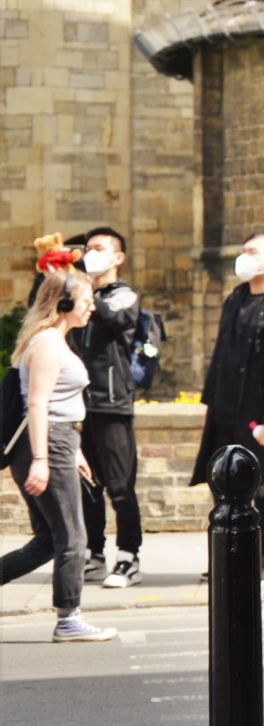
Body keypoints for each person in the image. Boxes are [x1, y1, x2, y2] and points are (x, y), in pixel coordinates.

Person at [0, 258, 118, 641]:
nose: (92, 306)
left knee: (48, 541)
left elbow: (59, 406)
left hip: (57, 441)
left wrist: (75, 450)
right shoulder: (49, 344)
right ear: (63, 304)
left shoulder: (50, 340)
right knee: (73, 536)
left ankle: (69, 617)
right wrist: (41, 459)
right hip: (48, 443)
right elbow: (38, 404)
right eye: (86, 299)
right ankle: (69, 620)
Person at [189, 232, 264, 583]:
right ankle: (227, 560)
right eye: (243, 250)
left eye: (252, 252)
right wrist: (211, 405)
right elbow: (221, 357)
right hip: (228, 411)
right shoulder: (236, 299)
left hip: (262, 417)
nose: (243, 257)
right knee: (223, 484)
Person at [70, 225, 144, 589]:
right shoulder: (80, 294)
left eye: (99, 248)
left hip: (112, 404)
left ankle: (129, 557)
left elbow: (111, 315)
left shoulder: (124, 296)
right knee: (87, 485)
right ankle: (94, 554)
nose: (90, 253)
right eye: (87, 248)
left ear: (118, 257)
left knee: (119, 486)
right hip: (81, 405)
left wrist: (81, 287)